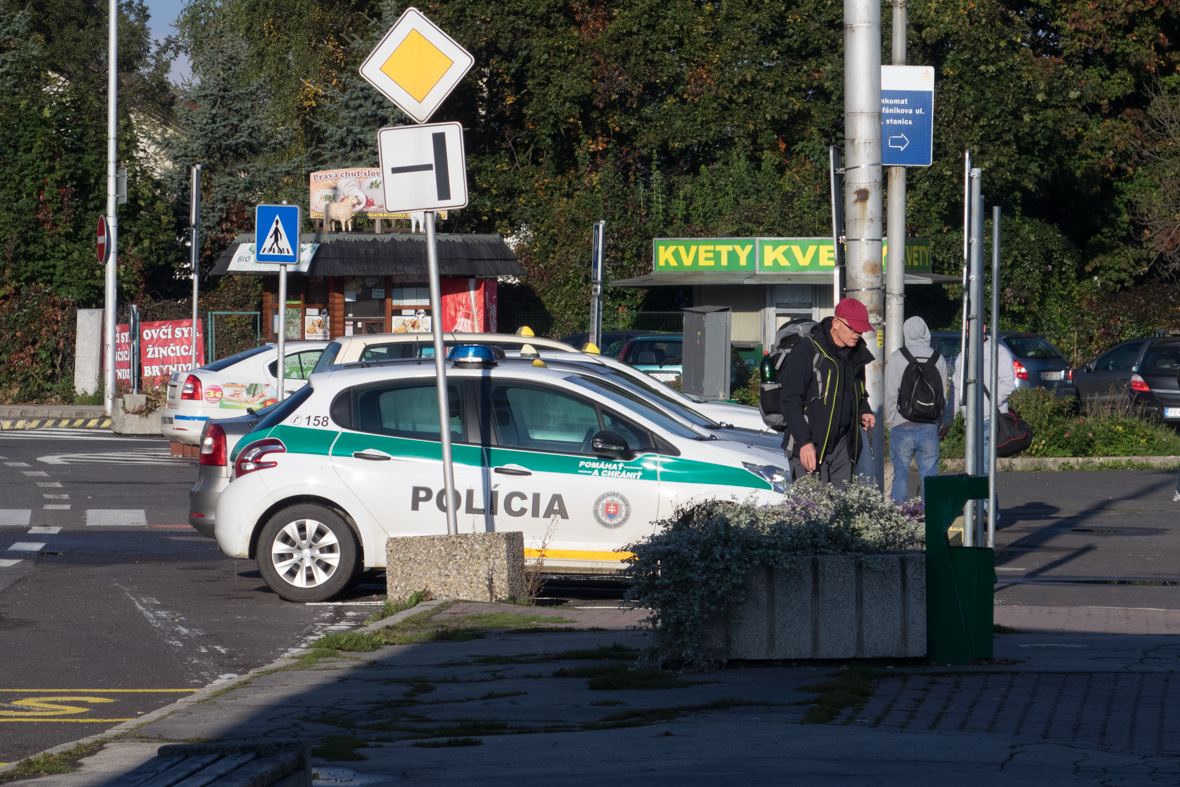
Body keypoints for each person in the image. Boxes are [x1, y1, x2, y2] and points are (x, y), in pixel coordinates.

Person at [780, 298, 876, 486]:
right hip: (810, 445)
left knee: (841, 511)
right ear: (836, 323)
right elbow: (789, 401)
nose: (858, 334)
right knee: (812, 512)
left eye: (861, 329)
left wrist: (864, 410)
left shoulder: (856, 354)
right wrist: (804, 442)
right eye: (853, 328)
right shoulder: (807, 350)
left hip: (843, 447)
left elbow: (859, 393)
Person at [885, 316, 954, 502]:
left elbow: (891, 393)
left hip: (902, 424)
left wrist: (892, 422)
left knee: (900, 475)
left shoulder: (897, 356)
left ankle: (899, 520)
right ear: (926, 332)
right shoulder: (938, 358)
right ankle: (929, 521)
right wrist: (942, 422)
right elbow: (942, 396)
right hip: (929, 426)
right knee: (929, 478)